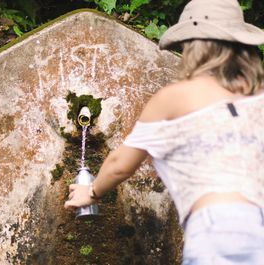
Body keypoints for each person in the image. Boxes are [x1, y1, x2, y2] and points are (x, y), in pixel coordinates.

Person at [64, 0, 264, 264]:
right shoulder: (258, 97)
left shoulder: (175, 97)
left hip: (214, 228)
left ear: (194, 47)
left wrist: (90, 193)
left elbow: (120, 166)